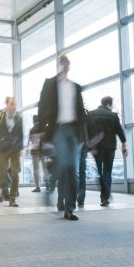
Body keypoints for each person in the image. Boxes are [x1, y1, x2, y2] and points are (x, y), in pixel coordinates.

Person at [37, 53, 86, 221]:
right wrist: (42, 129)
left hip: (72, 130)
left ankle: (69, 209)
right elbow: (42, 106)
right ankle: (51, 187)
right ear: (58, 65)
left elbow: (81, 113)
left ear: (69, 65)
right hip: (57, 129)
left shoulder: (75, 87)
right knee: (65, 163)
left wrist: (82, 138)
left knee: (73, 169)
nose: (64, 64)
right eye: (61, 62)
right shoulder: (50, 84)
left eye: (66, 62)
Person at [89, 96, 128, 207]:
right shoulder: (113, 116)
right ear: (109, 104)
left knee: (100, 172)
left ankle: (104, 193)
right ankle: (105, 197)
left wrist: (90, 146)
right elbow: (120, 132)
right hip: (109, 148)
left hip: (96, 147)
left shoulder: (91, 114)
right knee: (107, 172)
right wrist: (124, 145)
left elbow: (88, 131)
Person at [0, 97, 24, 207]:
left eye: (15, 104)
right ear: (7, 104)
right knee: (2, 172)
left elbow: (21, 134)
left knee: (15, 173)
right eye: (12, 104)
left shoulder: (19, 117)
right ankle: (1, 189)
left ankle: (12, 199)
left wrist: (21, 147)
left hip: (15, 148)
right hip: (2, 148)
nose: (14, 106)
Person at [28, 115, 44, 193]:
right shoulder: (42, 129)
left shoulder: (32, 130)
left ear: (33, 121)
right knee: (45, 168)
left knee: (36, 170)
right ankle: (49, 184)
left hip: (35, 151)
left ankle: (37, 187)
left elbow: (30, 141)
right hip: (43, 151)